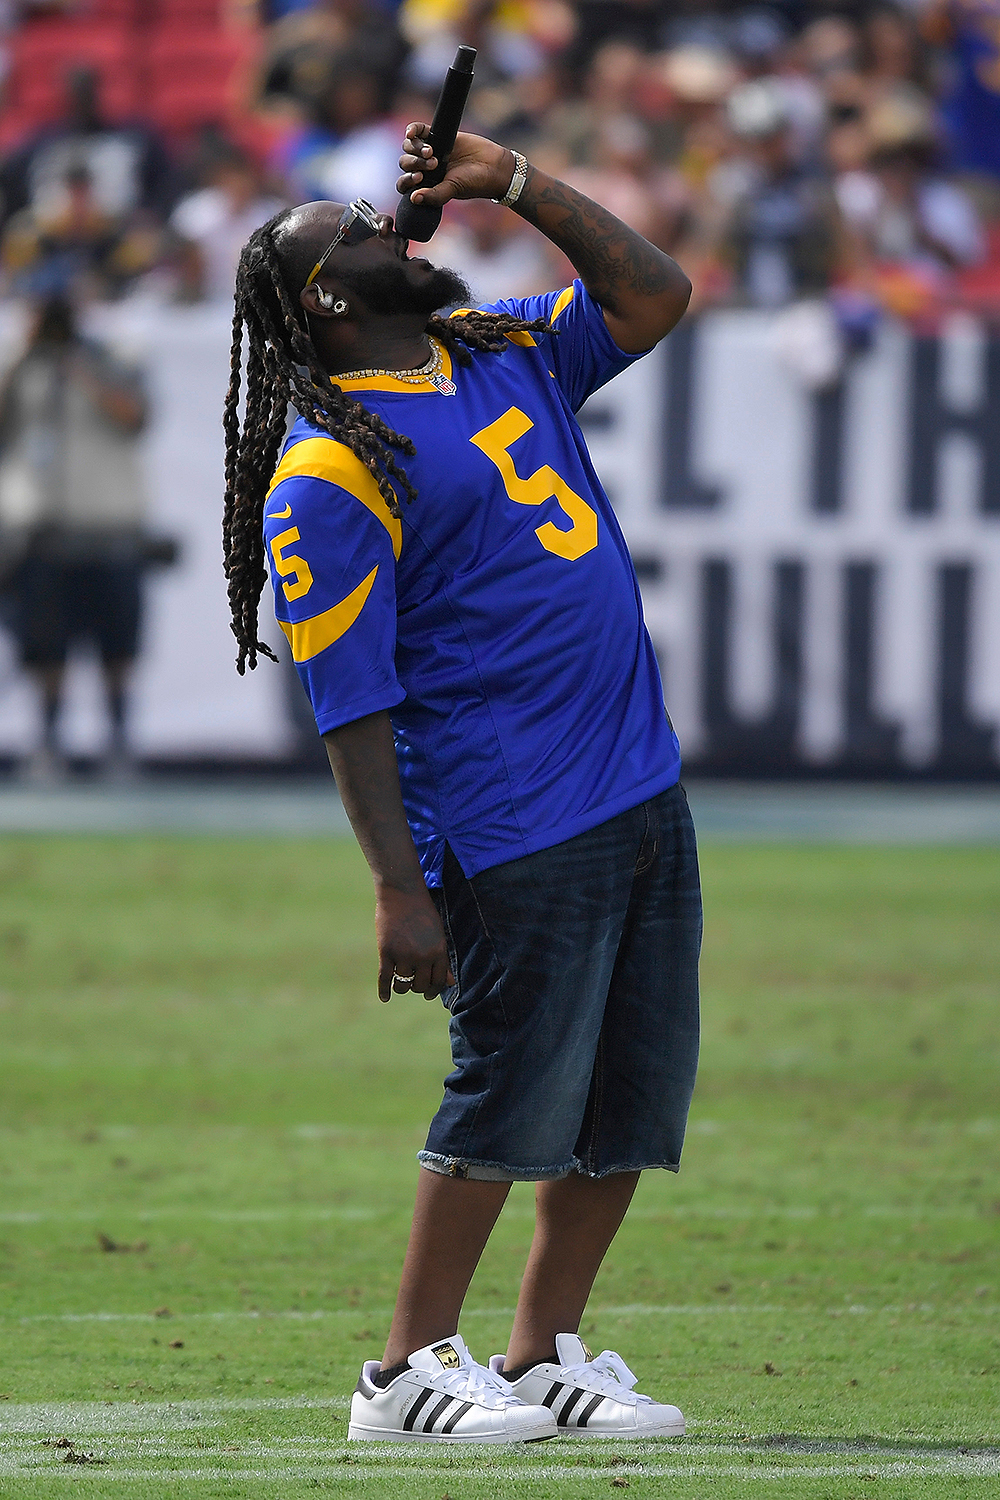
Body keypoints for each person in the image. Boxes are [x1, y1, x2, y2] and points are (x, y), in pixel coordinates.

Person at [223, 122, 699, 1443]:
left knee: (627, 1098)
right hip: (511, 813)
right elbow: (352, 706)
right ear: (328, 299)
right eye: (358, 233)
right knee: (509, 1094)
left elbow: (656, 294)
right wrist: (397, 886)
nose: (390, 224)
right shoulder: (329, 469)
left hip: (636, 783)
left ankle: (543, 1350)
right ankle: (403, 1369)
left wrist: (523, 183)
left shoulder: (491, 350)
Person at [0, 296, 149, 780]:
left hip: (108, 528)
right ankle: (46, 742)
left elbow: (134, 417)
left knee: (117, 648)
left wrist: (79, 361)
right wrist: (27, 353)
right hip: (43, 531)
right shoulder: (23, 366)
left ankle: (119, 743)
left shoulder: (113, 357)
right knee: (45, 647)